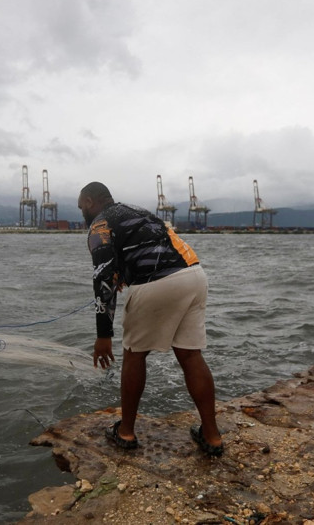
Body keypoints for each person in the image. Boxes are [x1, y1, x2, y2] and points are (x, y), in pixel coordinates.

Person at [78, 181, 224, 457]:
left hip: (157, 283)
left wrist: (103, 336)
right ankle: (212, 435)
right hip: (194, 275)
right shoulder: (135, 210)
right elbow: (152, 245)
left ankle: (126, 432)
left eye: (80, 207)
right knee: (191, 356)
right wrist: (124, 273)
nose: (81, 213)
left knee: (134, 355)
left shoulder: (99, 224)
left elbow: (102, 280)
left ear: (88, 202)